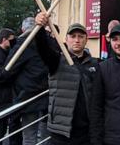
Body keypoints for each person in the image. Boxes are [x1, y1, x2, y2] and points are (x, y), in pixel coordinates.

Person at [35, 12, 99, 144]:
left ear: (86, 40)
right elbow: (42, 47)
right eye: (73, 36)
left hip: (86, 131)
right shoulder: (56, 60)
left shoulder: (95, 64)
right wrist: (40, 27)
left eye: (81, 36)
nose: (77, 40)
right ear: (66, 39)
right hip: (61, 131)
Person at [6, 17, 49, 145]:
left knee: (30, 136)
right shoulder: (45, 43)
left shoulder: (23, 45)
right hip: (45, 96)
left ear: (23, 29)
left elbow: (8, 69)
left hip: (29, 97)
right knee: (45, 135)